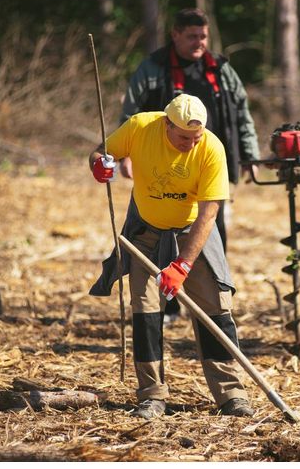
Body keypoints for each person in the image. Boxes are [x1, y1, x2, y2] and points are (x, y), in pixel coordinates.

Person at [88, 94, 254, 419]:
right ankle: (152, 396)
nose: (190, 145)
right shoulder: (140, 127)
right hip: (146, 234)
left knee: (216, 308)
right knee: (146, 311)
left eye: (196, 138)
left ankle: (231, 395)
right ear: (167, 123)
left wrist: (184, 265)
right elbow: (101, 151)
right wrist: (99, 164)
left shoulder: (211, 148)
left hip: (194, 232)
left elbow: (209, 214)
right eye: (183, 138)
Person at [119, 8, 261, 252]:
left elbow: (241, 113)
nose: (200, 42)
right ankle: (165, 278)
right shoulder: (153, 68)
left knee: (212, 225)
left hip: (210, 161)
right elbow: (131, 114)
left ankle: (211, 280)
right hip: (163, 164)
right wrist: (126, 154)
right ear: (175, 34)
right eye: (192, 36)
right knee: (161, 229)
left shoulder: (220, 69)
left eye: (203, 36)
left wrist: (250, 155)